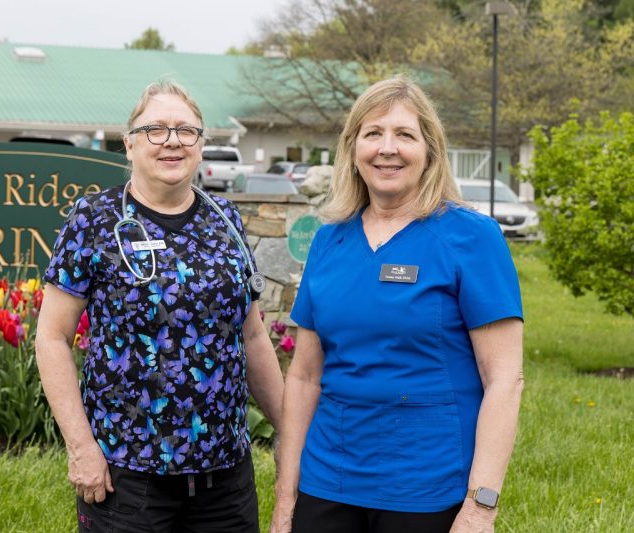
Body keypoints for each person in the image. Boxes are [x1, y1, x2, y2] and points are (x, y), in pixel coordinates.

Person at [270, 77, 524, 533]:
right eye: (373, 133)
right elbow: (305, 376)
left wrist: (481, 506)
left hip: (428, 489)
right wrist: (285, 501)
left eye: (404, 135)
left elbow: (505, 378)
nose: (388, 148)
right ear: (353, 149)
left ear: (430, 150)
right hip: (328, 482)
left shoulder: (471, 237)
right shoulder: (329, 240)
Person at [36, 80, 284, 533]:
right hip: (127, 474)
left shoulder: (225, 220)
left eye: (186, 130)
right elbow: (52, 338)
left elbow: (251, 335)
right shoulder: (94, 219)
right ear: (129, 145)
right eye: (155, 129)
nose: (172, 140)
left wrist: (288, 429)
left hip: (224, 476)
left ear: (201, 145)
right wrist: (80, 447)